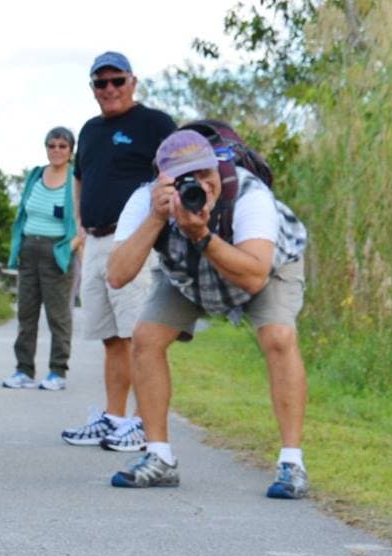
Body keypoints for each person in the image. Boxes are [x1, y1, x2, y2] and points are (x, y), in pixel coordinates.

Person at [102, 125, 311, 494]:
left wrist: (201, 236)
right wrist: (155, 218)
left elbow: (254, 276)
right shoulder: (146, 200)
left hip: (262, 265)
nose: (200, 185)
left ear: (219, 167)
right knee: (146, 337)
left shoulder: (248, 194)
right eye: (186, 178)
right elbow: (117, 276)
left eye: (205, 172)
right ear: (163, 179)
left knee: (279, 337)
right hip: (188, 272)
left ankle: (292, 465)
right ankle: (159, 458)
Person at [60, 51, 175, 454]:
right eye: (100, 83)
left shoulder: (154, 123)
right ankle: (115, 418)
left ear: (132, 82)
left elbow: (175, 172)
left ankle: (146, 423)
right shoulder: (90, 130)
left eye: (117, 81)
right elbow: (80, 179)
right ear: (93, 88)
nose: (109, 89)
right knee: (110, 336)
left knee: (139, 334)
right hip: (95, 240)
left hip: (135, 244)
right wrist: (79, 227)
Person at [2, 127, 77, 391]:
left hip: (57, 251)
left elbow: (82, 221)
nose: (56, 150)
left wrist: (69, 248)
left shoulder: (75, 179)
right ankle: (23, 369)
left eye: (62, 146)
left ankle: (58, 371)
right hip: (29, 248)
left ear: (71, 150)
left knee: (58, 316)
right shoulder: (35, 175)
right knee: (26, 313)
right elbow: (24, 211)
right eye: (52, 145)